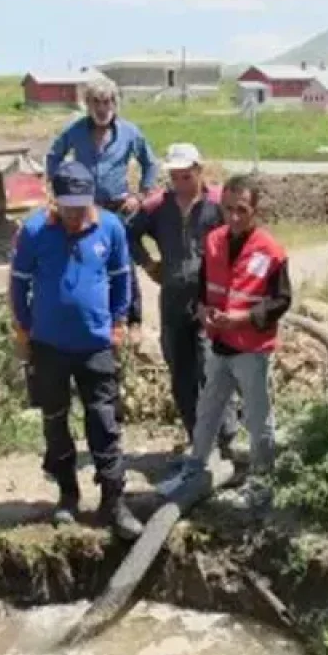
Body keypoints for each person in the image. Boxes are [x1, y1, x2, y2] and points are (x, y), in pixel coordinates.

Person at [10, 160, 145, 541]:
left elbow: (122, 279)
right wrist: (24, 327)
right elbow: (18, 284)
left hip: (96, 345)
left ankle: (114, 502)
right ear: (54, 200)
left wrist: (119, 324)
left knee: (104, 421)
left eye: (80, 208)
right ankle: (67, 496)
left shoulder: (111, 228)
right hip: (49, 346)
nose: (74, 216)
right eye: (67, 209)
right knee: (55, 421)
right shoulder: (35, 231)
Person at [170, 174, 292, 513]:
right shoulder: (213, 241)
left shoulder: (270, 250)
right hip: (220, 342)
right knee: (208, 407)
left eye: (242, 210)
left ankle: (261, 479)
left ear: (255, 210)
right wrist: (203, 310)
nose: (234, 217)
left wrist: (243, 318)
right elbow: (204, 287)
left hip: (252, 347)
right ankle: (194, 468)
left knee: (257, 416)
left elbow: (282, 300)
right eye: (228, 209)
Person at [128, 142, 238, 458]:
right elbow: (127, 233)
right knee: (181, 370)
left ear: (199, 172)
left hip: (211, 298)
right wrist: (148, 264)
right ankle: (198, 440)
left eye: (185, 176)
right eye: (174, 177)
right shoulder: (158, 207)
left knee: (213, 367)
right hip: (174, 296)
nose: (180, 183)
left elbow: (242, 239)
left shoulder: (218, 205)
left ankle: (227, 440)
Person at [45, 77, 159, 334]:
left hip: (119, 208)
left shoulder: (129, 132)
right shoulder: (75, 131)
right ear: (87, 104)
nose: (102, 108)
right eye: (96, 102)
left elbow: (150, 163)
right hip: (86, 208)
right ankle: (89, 316)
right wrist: (60, 190)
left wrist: (140, 196)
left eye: (107, 101)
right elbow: (54, 156)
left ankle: (133, 320)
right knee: (86, 258)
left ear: (115, 104)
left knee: (123, 262)